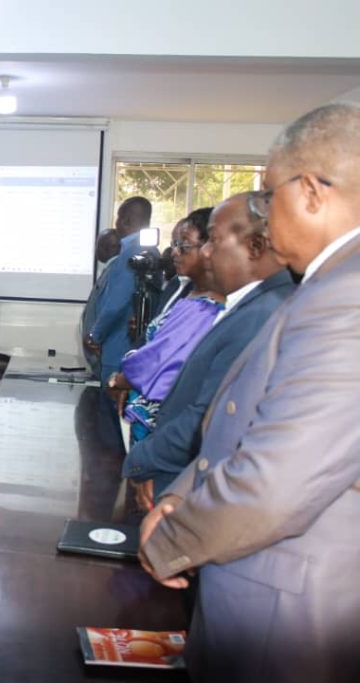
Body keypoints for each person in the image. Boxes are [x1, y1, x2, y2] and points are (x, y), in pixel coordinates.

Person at [140, 103, 360, 682]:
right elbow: (240, 421)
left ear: (310, 192)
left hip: (285, 619)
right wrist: (181, 494)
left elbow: (279, 482)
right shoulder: (324, 284)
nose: (263, 214)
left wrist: (169, 540)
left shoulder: (348, 297)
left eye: (267, 195)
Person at [122, 195, 294, 508]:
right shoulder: (249, 304)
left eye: (213, 240)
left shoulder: (262, 314)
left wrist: (142, 459)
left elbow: (208, 415)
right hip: (180, 469)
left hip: (189, 477)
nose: (205, 252)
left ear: (255, 247)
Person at [107, 208, 224, 442]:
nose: (175, 252)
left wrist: (118, 381)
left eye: (184, 245)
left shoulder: (205, 308)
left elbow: (158, 360)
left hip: (166, 426)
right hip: (150, 416)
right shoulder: (190, 296)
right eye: (174, 244)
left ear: (209, 249)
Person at [85, 197, 154, 381]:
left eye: (118, 217)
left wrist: (95, 336)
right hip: (134, 351)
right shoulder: (151, 251)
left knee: (110, 398)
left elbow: (116, 303)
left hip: (117, 352)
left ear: (126, 220)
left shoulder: (131, 254)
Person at [80, 229, 121, 377]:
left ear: (105, 248)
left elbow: (111, 309)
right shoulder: (111, 270)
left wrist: (94, 337)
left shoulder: (115, 272)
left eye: (97, 245)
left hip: (105, 357)